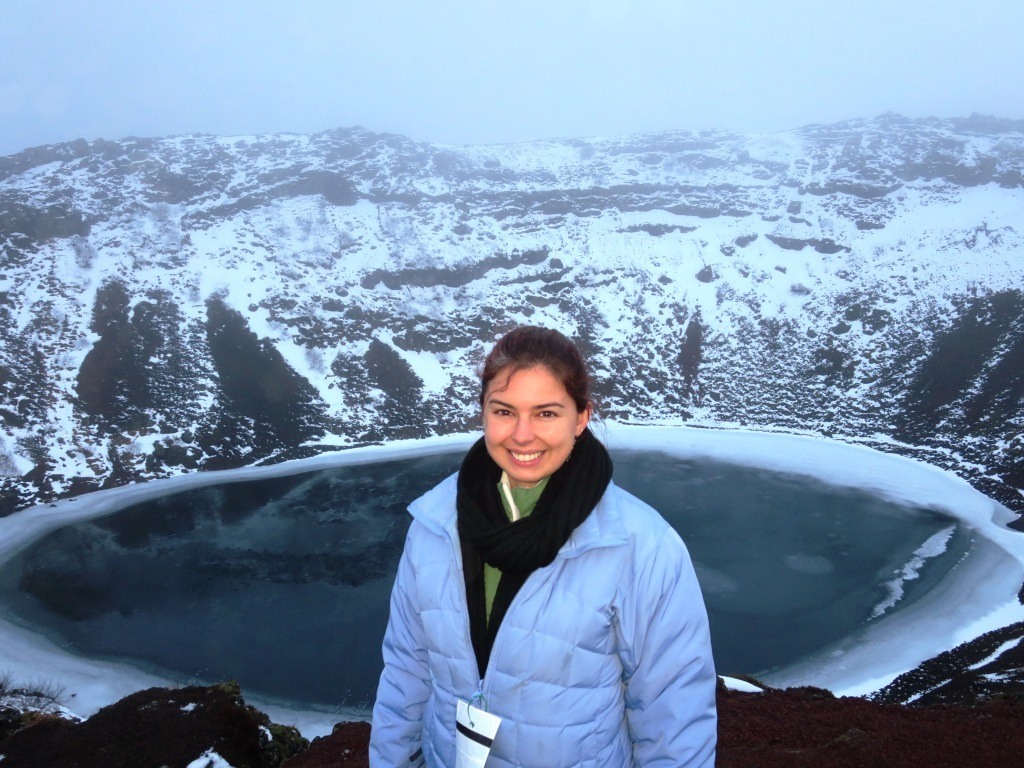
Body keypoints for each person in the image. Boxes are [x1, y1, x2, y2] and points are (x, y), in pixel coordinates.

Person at [369, 326, 717, 767]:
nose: (522, 434)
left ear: (581, 417)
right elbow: (406, 674)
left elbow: (674, 713)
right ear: (483, 413)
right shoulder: (434, 524)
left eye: (547, 413)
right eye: (504, 411)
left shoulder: (638, 545)